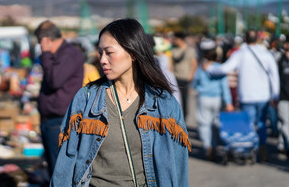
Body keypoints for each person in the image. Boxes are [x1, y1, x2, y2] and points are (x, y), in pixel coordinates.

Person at [50, 19, 190, 187]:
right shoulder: (85, 99)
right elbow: (66, 162)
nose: (102, 60)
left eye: (109, 53)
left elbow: (178, 167)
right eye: (100, 52)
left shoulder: (163, 104)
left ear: (133, 53)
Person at [205, 29, 279, 161]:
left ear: (245, 39)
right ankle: (261, 145)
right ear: (257, 39)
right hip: (264, 95)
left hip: (247, 95)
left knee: (249, 124)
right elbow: (274, 75)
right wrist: (275, 95)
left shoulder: (240, 54)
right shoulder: (266, 54)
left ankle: (251, 149)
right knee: (262, 123)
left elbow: (225, 69)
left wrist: (209, 68)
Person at [34, 20, 84, 178]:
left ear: (46, 40)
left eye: (40, 42)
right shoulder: (61, 54)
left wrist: (46, 54)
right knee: (53, 167)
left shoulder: (68, 53)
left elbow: (54, 80)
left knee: (60, 170)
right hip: (51, 120)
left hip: (60, 121)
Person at [192, 38, 233, 161]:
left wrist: (200, 88)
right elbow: (225, 87)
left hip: (204, 97)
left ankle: (208, 146)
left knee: (204, 123)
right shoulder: (219, 67)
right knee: (216, 123)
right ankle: (217, 145)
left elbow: (195, 83)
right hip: (217, 98)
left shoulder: (201, 67)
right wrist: (229, 102)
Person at [172, 32, 198, 120]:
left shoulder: (190, 50)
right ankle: (177, 115)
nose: (174, 41)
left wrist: (191, 75)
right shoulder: (174, 50)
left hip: (185, 77)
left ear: (180, 39)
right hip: (175, 77)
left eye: (175, 39)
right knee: (175, 98)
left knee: (185, 98)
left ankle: (185, 116)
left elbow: (194, 64)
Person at [277, 35, 289, 159]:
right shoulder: (279, 59)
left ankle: (282, 145)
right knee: (285, 122)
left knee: (284, 124)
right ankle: (284, 145)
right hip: (283, 96)